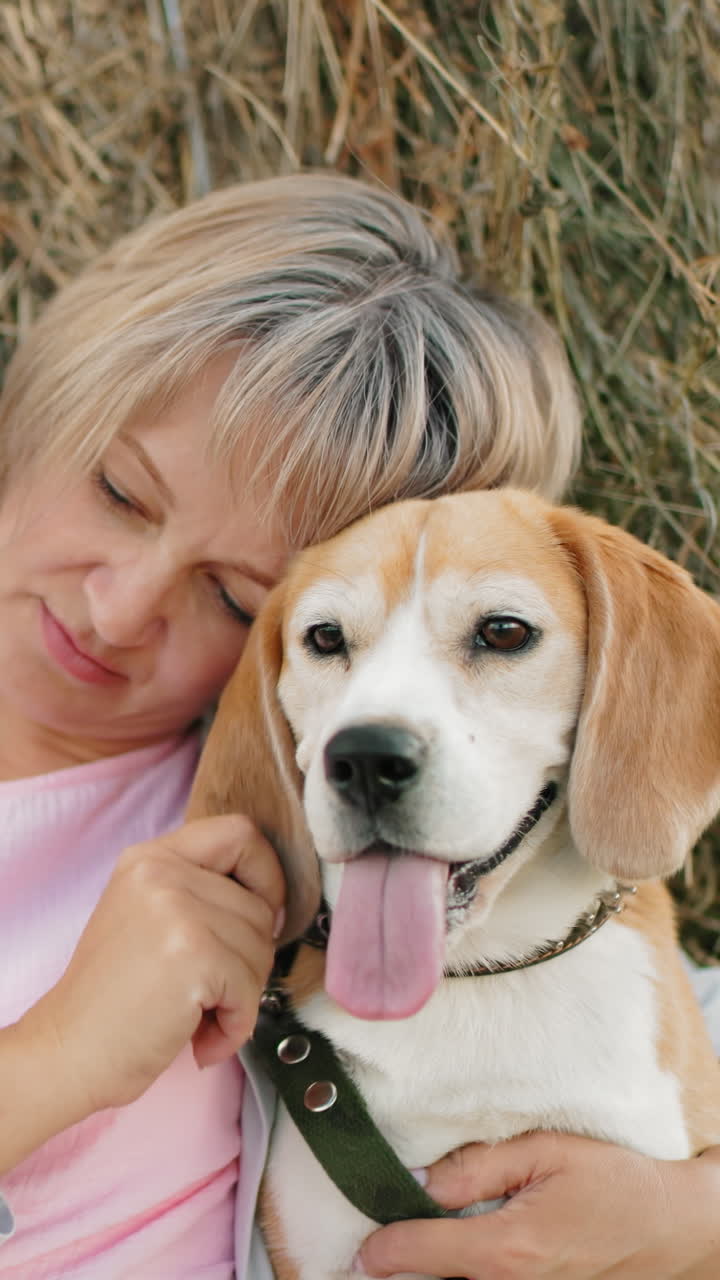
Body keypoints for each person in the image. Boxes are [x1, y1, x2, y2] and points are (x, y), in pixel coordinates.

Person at [0, 172, 717, 1279]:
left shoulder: (268, 837)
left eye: (235, 596)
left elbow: (635, 989)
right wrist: (61, 1053)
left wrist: (692, 1217)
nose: (121, 607)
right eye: (119, 492)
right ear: (46, 400)